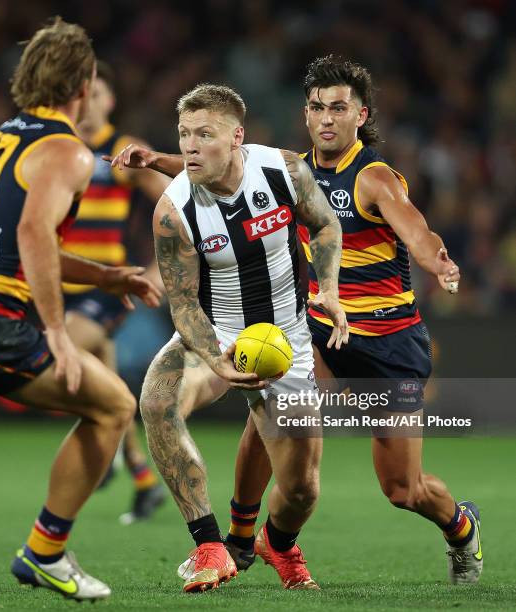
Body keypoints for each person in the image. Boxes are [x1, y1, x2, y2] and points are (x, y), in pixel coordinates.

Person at [111, 56, 482, 587]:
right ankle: (237, 539)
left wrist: (438, 259)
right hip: (314, 329)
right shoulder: (283, 166)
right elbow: (217, 166)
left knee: (403, 489)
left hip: (386, 341)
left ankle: (460, 526)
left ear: (361, 115)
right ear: (306, 115)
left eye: (338, 108)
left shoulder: (370, 176)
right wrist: (157, 160)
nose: (326, 118)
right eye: (316, 107)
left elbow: (416, 229)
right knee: (264, 415)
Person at [0, 18, 161, 601]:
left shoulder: (2, 137)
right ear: (83, 87)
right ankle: (45, 552)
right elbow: (32, 236)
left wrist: (106, 276)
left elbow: (19, 238)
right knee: (112, 407)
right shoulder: (70, 153)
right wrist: (56, 331)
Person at [133, 83, 348, 593]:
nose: (189, 146)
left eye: (203, 134)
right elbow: (183, 305)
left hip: (287, 340)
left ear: (236, 138)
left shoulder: (285, 170)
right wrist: (216, 358)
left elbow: (324, 226)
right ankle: (210, 546)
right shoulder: (172, 210)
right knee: (156, 401)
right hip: (216, 333)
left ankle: (278, 542)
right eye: (183, 134)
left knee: (301, 491)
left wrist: (331, 290)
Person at [61, 60, 168, 523]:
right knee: (99, 372)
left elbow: (173, 204)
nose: (88, 100)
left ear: (110, 102)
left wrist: (157, 271)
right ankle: (142, 478)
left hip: (104, 283)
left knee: (63, 347)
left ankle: (97, 447)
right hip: (59, 281)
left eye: (97, 92)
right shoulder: (59, 150)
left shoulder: (120, 150)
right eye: (82, 92)